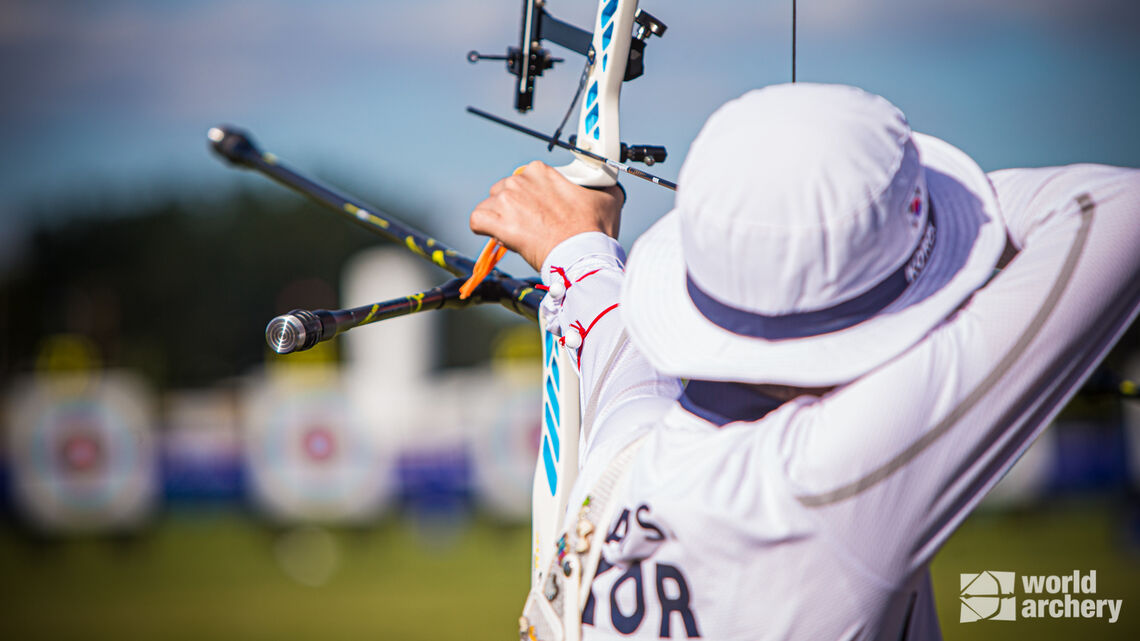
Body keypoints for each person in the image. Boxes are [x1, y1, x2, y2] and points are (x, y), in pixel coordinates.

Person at [469, 83, 1140, 640]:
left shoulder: (632, 457)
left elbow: (611, 334)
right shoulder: (829, 474)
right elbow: (1117, 214)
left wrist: (576, 247)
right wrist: (895, 211)